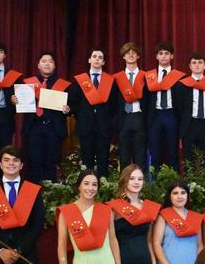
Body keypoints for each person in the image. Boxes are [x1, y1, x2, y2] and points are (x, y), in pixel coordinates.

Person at [21, 51, 71, 182]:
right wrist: (16, 100)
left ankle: (50, 196)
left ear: (54, 66)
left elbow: (71, 107)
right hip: (34, 128)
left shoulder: (64, 85)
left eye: (50, 61)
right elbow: (22, 106)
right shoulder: (28, 84)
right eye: (44, 61)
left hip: (53, 129)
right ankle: (35, 196)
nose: (47, 64)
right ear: (38, 65)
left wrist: (67, 109)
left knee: (51, 163)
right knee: (34, 164)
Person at [68, 47, 119, 177]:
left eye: (100, 57)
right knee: (87, 161)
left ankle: (103, 191)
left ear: (104, 62)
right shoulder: (80, 80)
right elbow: (73, 102)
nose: (97, 59)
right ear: (89, 59)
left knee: (103, 161)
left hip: (104, 127)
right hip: (85, 127)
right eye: (94, 56)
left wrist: (104, 117)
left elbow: (114, 105)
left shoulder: (110, 81)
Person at [146, 42, 185, 171]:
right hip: (154, 115)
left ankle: (173, 184)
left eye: (167, 53)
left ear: (172, 56)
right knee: (154, 151)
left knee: (172, 152)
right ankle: (155, 184)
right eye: (161, 53)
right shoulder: (149, 76)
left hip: (171, 115)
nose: (163, 56)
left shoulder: (179, 77)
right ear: (156, 56)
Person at [174, 52, 205, 167]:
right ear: (189, 66)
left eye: (200, 62)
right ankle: (190, 184)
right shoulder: (182, 85)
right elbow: (178, 107)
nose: (197, 65)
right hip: (189, 125)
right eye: (194, 63)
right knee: (189, 160)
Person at [113, 42, 149, 171]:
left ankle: (141, 187)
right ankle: (124, 187)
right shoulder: (117, 78)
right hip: (124, 119)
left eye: (134, 52)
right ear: (123, 56)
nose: (131, 55)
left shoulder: (146, 77)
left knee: (140, 157)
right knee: (124, 157)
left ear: (138, 56)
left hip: (140, 118)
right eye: (128, 53)